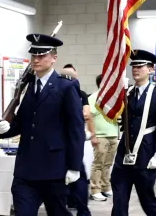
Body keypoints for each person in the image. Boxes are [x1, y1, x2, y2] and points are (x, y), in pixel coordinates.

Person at [0, 34, 85, 216]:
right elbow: (22, 123)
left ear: (54, 58)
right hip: (26, 169)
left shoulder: (66, 87)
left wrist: (74, 166)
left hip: (54, 169)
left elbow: (75, 129)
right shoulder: (27, 86)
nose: (36, 59)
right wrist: (3, 130)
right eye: (33, 55)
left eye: (41, 55)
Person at [111, 49, 156, 216]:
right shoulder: (127, 92)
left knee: (147, 199)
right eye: (134, 66)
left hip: (146, 152)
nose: (135, 69)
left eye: (140, 66)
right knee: (119, 200)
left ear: (151, 69)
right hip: (124, 153)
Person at [60, 64, 97, 216]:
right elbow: (85, 115)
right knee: (78, 175)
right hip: (72, 138)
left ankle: (78, 208)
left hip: (69, 138)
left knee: (77, 175)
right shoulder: (78, 93)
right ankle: (81, 209)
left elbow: (86, 115)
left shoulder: (77, 93)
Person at [88, 74, 119, 201]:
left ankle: (106, 187)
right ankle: (95, 189)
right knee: (98, 164)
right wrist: (93, 135)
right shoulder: (93, 98)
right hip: (100, 136)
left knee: (108, 164)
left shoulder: (113, 99)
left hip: (113, 134)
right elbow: (89, 117)